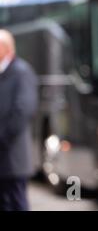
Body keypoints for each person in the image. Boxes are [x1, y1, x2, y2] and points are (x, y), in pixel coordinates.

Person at [0, 30, 38, 211]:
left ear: (5, 48)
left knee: (16, 203)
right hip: (4, 158)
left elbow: (23, 110)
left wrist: (2, 136)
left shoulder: (21, 71)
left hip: (13, 158)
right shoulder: (4, 70)